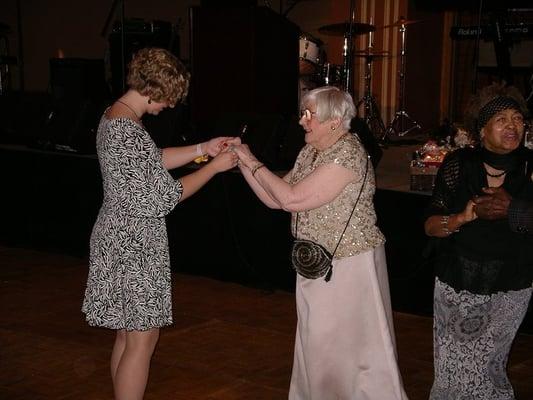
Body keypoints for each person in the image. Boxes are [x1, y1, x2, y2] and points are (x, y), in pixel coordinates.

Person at [81, 47, 239, 400]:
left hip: (117, 233)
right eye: (167, 99)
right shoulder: (129, 131)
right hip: (134, 241)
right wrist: (213, 168)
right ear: (153, 89)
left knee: (128, 335)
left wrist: (203, 148)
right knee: (143, 338)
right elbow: (164, 197)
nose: (168, 106)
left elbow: (152, 161)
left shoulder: (115, 116)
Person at [231, 86, 408, 400]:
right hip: (317, 264)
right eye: (303, 113)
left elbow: (291, 199)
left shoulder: (349, 153)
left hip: (349, 265)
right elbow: (274, 200)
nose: (301, 121)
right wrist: (242, 162)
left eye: (309, 114)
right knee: (317, 344)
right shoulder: (311, 151)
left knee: (345, 349)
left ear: (335, 120)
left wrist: (252, 160)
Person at [424, 83, 533, 399]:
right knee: (449, 369)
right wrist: (460, 219)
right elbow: (431, 224)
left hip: (510, 285)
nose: (512, 126)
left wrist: (514, 209)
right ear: (481, 130)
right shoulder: (459, 164)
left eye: (517, 118)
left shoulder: (529, 168)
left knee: (487, 367)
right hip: (454, 282)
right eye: (501, 119)